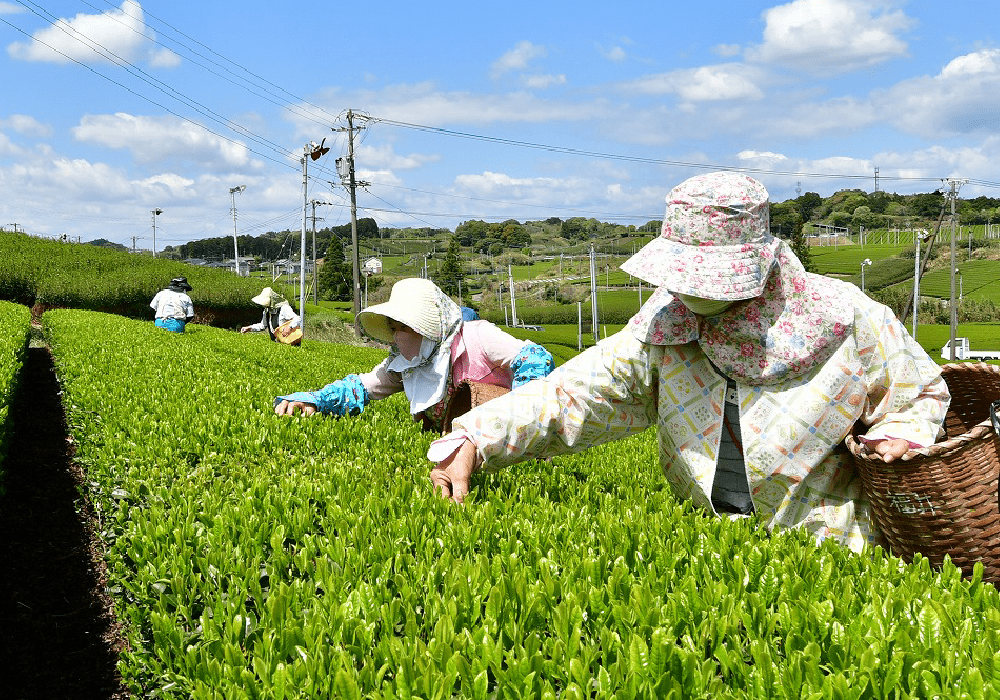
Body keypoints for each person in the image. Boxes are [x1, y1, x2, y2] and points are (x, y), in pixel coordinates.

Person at [427, 171, 950, 553]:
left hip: (830, 547)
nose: (691, 289)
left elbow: (919, 393)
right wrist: (476, 438)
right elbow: (578, 392)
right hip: (705, 541)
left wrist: (900, 434)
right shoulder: (667, 324)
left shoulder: (847, 318)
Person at [273, 277, 556, 432]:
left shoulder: (477, 337)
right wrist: (313, 401)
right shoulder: (407, 365)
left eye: (405, 328)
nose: (398, 338)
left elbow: (533, 357)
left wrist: (521, 419)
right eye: (394, 329)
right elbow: (361, 387)